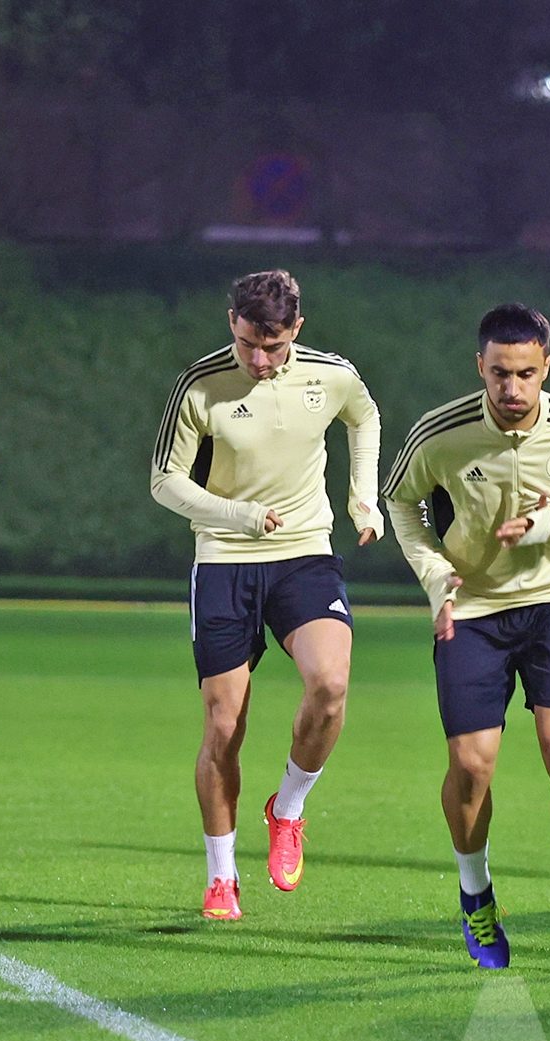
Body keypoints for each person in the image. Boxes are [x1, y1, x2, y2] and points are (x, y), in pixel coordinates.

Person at [384, 303, 550, 978]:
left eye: (525, 373)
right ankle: (476, 896)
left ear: (547, 365)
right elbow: (400, 502)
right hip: (472, 606)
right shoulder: (440, 433)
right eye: (499, 373)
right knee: (472, 764)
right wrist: (436, 576)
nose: (512, 388)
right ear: (480, 367)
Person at [149, 269, 381, 922]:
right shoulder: (199, 386)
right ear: (233, 323)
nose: (259, 359)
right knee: (224, 726)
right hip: (225, 561)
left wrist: (363, 496)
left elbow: (364, 415)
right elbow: (165, 480)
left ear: (296, 331)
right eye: (249, 343)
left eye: (273, 346)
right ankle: (222, 875)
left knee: (330, 683)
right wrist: (238, 515)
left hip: (304, 553)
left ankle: (289, 807)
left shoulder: (330, 375)